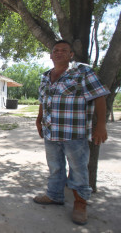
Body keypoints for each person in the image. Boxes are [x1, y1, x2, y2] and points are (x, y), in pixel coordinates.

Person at [34, 40, 110, 225]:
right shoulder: (45, 77)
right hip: (51, 132)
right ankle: (54, 196)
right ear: (51, 55)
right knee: (55, 167)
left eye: (64, 50)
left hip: (74, 134)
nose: (59, 53)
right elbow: (43, 102)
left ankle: (80, 203)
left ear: (71, 55)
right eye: (55, 50)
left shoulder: (82, 72)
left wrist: (101, 125)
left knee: (78, 170)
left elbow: (99, 96)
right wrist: (39, 119)